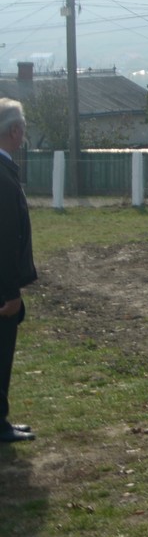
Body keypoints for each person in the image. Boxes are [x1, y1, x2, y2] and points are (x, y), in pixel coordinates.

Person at [0, 99, 35, 445]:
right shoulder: (3, 175)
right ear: (14, 131)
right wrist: (11, 292)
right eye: (23, 128)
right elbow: (5, 239)